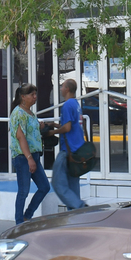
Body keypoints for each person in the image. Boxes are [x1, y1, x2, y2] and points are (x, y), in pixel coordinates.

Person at [10, 83, 50, 224]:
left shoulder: (30, 113)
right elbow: (21, 137)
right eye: (32, 95)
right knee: (24, 191)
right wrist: (29, 158)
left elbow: (31, 131)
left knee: (44, 187)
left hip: (33, 155)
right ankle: (19, 222)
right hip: (23, 157)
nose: (35, 97)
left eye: (35, 94)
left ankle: (27, 215)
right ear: (23, 97)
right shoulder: (18, 113)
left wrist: (41, 127)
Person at [46, 78, 87, 210]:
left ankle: (79, 206)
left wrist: (53, 132)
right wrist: (56, 125)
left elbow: (67, 128)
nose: (61, 88)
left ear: (67, 89)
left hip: (68, 151)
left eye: (62, 86)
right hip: (77, 149)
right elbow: (73, 125)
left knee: (57, 183)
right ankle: (76, 216)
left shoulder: (67, 105)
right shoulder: (76, 104)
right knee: (72, 184)